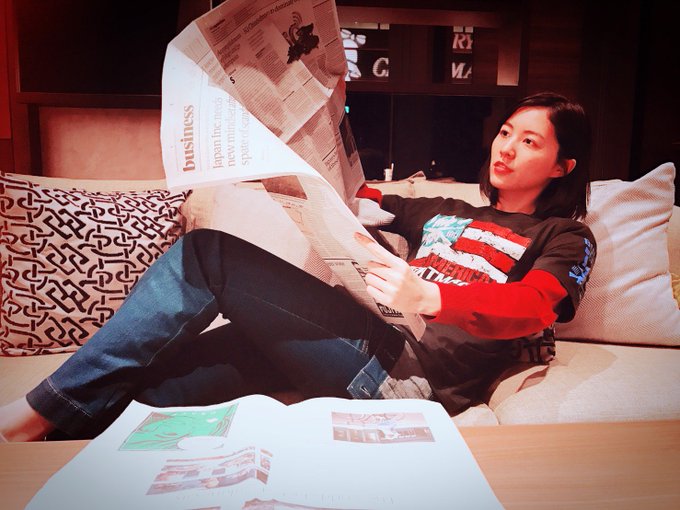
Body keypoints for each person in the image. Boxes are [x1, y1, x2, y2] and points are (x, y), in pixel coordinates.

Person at [0, 92, 596, 442]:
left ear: (562, 166)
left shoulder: (565, 236)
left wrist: (432, 298)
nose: (506, 147)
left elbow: (535, 306)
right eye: (506, 132)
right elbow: (359, 193)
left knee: (211, 254)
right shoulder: (446, 210)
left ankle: (36, 412)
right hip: (365, 342)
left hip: (410, 384)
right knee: (193, 364)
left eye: (530, 142)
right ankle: (62, 435)